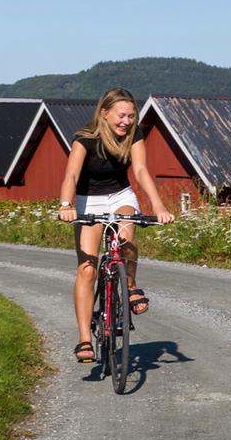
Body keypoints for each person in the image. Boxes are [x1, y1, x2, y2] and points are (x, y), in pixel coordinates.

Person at [57, 88, 174, 363]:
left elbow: (142, 171)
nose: (127, 121)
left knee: (126, 233)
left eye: (132, 116)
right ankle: (84, 338)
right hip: (89, 200)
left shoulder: (135, 135)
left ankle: (130, 284)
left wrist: (158, 207)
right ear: (104, 114)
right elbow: (71, 175)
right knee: (87, 269)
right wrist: (65, 205)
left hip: (120, 196)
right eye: (122, 116)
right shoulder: (84, 139)